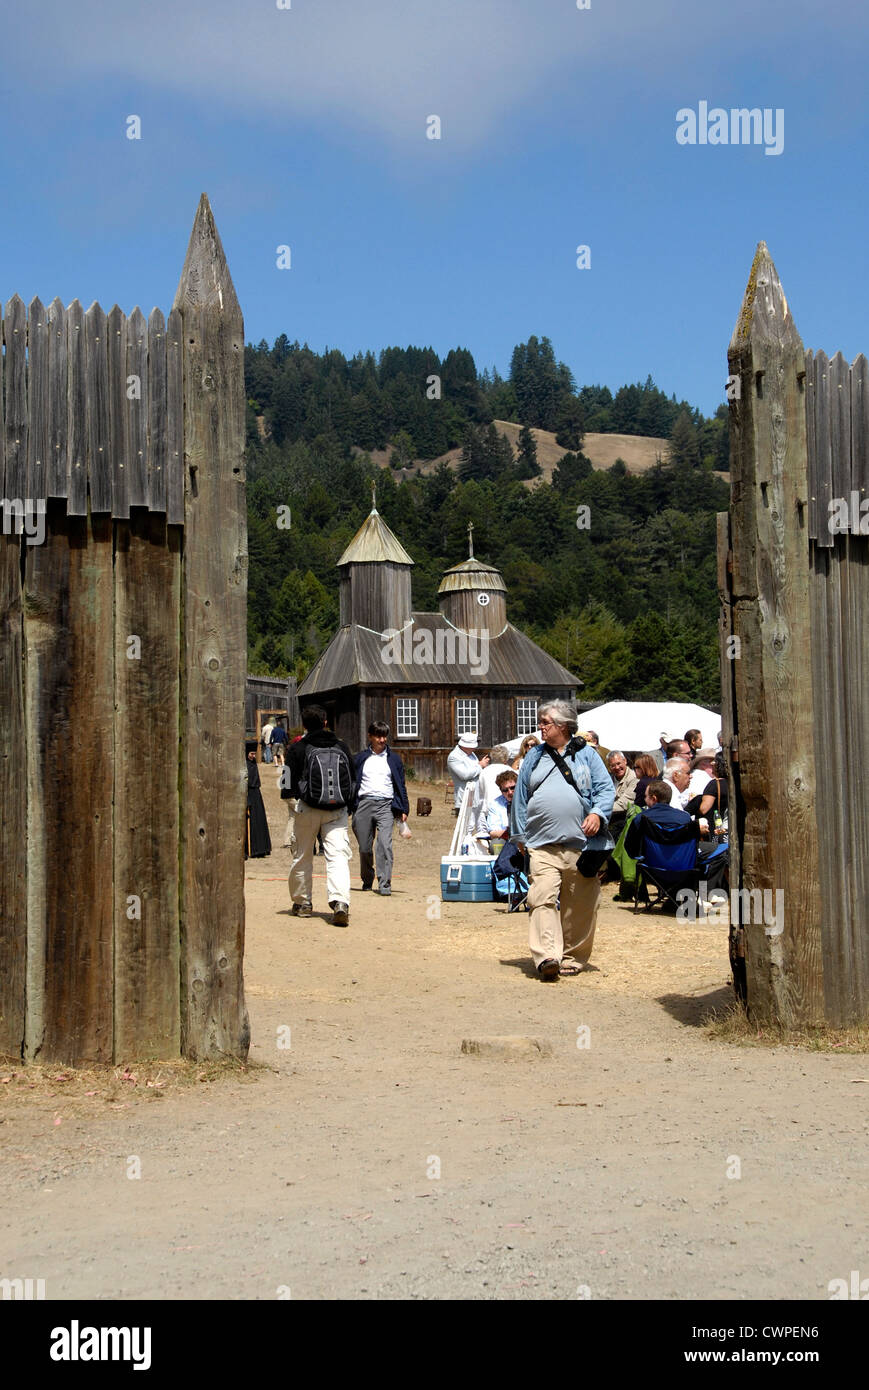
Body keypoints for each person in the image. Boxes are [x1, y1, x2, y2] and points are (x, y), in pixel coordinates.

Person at [511, 700, 614, 981]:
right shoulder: (533, 757)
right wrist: (519, 834)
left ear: (564, 726)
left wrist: (596, 813)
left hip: (582, 845)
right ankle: (547, 956)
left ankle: (573, 956)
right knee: (541, 898)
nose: (540, 728)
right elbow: (520, 797)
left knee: (579, 905)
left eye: (546, 723)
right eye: (540, 722)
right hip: (541, 844)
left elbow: (605, 789)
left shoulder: (588, 756)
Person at [287, 706, 355, 926]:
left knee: (302, 856)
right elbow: (352, 780)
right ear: (326, 722)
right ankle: (340, 902)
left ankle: (303, 903)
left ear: (304, 725)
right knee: (338, 857)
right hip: (337, 810)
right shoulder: (342, 746)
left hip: (307, 808)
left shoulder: (296, 748)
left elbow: (286, 785)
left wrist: (294, 804)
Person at [350, 721, 409, 896]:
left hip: (386, 805)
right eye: (378, 736)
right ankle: (367, 878)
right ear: (370, 736)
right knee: (365, 848)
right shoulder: (360, 758)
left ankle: (385, 882)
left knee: (384, 844)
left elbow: (401, 785)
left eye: (384, 736)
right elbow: (352, 783)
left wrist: (404, 808)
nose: (382, 740)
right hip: (364, 804)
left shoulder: (394, 759)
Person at [446, 733, 489, 816]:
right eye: (472, 747)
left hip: (477, 796)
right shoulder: (454, 757)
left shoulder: (471, 754)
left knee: (480, 826)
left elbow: (475, 768)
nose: (474, 749)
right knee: (467, 827)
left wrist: (480, 764)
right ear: (465, 746)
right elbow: (464, 775)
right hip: (465, 798)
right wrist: (480, 765)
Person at [245, 740, 272, 859]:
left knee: (258, 820)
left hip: (256, 794)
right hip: (248, 793)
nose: (253, 756)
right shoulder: (244, 764)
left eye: (255, 754)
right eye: (251, 754)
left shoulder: (253, 764)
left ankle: (260, 848)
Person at [606, 750, 638, 838]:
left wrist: (601, 809)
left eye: (619, 763)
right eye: (613, 765)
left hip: (624, 822)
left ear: (625, 761)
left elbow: (624, 803)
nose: (617, 767)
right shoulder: (608, 778)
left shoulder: (633, 778)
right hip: (609, 819)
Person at [485, 769, 518, 841]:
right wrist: (512, 834)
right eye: (505, 790)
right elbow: (493, 832)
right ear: (501, 791)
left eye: (512, 788)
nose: (509, 792)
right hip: (506, 840)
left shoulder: (529, 800)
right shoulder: (495, 804)